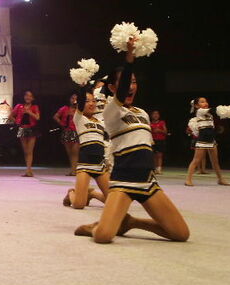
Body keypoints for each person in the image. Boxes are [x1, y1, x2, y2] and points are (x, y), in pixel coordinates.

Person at [75, 37, 190, 244]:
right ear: (112, 88)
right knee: (103, 236)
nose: (131, 86)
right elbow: (121, 93)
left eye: (134, 82)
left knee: (181, 234)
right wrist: (129, 59)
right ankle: (97, 227)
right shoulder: (111, 111)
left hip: (147, 180)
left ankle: (131, 222)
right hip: (123, 180)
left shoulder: (143, 113)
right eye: (126, 82)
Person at [63, 89, 111, 209]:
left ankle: (92, 194)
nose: (91, 103)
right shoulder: (79, 118)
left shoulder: (101, 122)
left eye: (94, 101)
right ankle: (71, 193)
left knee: (113, 202)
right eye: (87, 101)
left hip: (100, 164)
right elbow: (80, 100)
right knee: (79, 204)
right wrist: (82, 86)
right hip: (85, 164)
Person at [185, 98, 230, 186]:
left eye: (206, 101)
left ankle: (220, 179)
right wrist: (226, 110)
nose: (205, 103)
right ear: (196, 106)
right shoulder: (200, 111)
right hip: (202, 140)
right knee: (196, 160)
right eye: (202, 102)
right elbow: (214, 110)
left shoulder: (210, 115)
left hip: (211, 139)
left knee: (215, 162)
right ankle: (188, 180)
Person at [11, 90, 41, 176]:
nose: (28, 97)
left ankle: (29, 170)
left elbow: (37, 117)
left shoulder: (35, 107)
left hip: (31, 129)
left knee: (30, 151)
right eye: (26, 95)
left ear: (33, 98)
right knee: (25, 151)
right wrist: (17, 122)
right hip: (22, 129)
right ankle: (28, 170)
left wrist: (29, 112)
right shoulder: (19, 106)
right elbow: (11, 116)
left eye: (30, 96)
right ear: (24, 97)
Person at [55, 94, 79, 175]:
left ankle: (75, 170)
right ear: (69, 99)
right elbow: (55, 116)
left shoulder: (79, 109)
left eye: (76, 99)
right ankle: (73, 170)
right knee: (69, 153)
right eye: (72, 98)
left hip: (76, 131)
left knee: (75, 152)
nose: (74, 100)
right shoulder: (64, 108)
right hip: (66, 131)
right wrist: (61, 123)